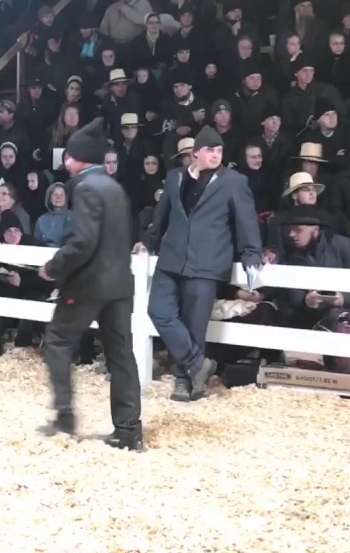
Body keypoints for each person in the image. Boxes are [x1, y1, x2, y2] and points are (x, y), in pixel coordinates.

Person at [37, 117, 142, 451]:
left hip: (88, 285)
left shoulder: (85, 188)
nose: (65, 161)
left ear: (75, 158)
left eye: (67, 155)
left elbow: (84, 242)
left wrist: (54, 267)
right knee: (121, 355)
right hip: (121, 285)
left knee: (57, 340)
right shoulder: (115, 187)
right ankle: (128, 430)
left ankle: (65, 415)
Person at [147, 125, 263, 403]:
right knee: (158, 311)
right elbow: (161, 217)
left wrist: (251, 255)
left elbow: (246, 222)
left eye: (219, 149)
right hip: (171, 257)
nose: (215, 154)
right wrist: (148, 242)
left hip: (208, 262)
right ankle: (198, 364)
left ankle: (185, 381)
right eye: (209, 149)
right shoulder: (175, 177)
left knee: (194, 323)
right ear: (195, 153)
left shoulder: (234, 181)